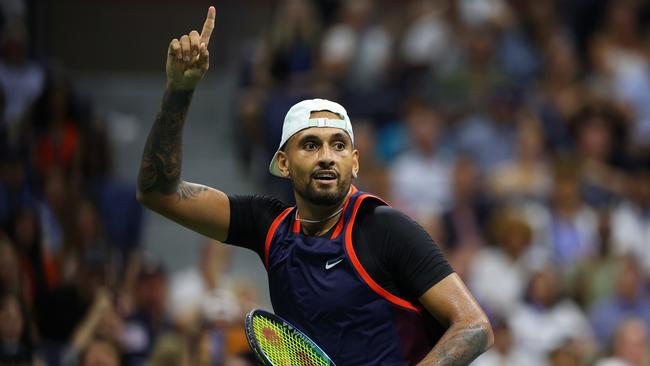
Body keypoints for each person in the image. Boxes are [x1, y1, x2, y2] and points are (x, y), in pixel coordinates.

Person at [136, 7, 493, 365]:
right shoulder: (269, 226)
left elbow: (474, 326)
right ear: (283, 163)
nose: (326, 156)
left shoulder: (385, 229)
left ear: (354, 163)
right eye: (310, 144)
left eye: (338, 145)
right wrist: (179, 90)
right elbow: (158, 192)